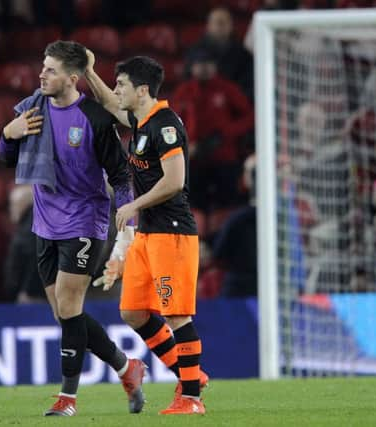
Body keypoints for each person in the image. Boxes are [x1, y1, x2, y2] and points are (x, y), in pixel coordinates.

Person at [0, 40, 144, 416]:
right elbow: (5, 156)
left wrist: (126, 220)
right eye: (42, 67)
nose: (42, 74)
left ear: (73, 78)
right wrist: (9, 134)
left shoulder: (94, 118)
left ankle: (67, 398)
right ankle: (127, 367)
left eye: (50, 70)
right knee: (65, 315)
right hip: (44, 221)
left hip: (85, 221)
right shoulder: (33, 109)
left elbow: (121, 174)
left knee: (68, 306)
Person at [85, 52, 207, 414]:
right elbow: (107, 101)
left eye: (121, 83)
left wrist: (133, 206)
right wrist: (88, 72)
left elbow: (175, 181)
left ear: (141, 90)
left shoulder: (164, 125)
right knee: (134, 312)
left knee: (177, 315)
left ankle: (191, 398)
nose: (116, 89)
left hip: (172, 233)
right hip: (148, 235)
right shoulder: (141, 121)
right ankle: (191, 376)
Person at [172, 48, 254, 210]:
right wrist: (186, 145)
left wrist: (226, 133)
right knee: (192, 204)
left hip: (224, 157)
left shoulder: (227, 89)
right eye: (200, 64)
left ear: (215, 66)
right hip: (193, 159)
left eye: (208, 63)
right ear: (193, 67)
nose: (204, 68)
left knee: (227, 204)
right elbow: (172, 124)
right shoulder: (184, 92)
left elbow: (250, 117)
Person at [213, 154, 258, 297]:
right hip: (272, 289)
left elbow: (219, 253)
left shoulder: (237, 219)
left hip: (239, 291)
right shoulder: (284, 219)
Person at [186, 7, 253, 99]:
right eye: (216, 22)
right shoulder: (194, 53)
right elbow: (187, 85)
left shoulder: (244, 55)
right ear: (208, 25)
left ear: (231, 25)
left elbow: (248, 89)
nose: (220, 26)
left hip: (233, 105)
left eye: (224, 23)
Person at [4, 185, 45, 303]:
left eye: (13, 204)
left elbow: (36, 257)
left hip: (31, 296)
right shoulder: (31, 222)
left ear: (25, 204)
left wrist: (29, 290)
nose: (10, 209)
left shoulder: (30, 226)